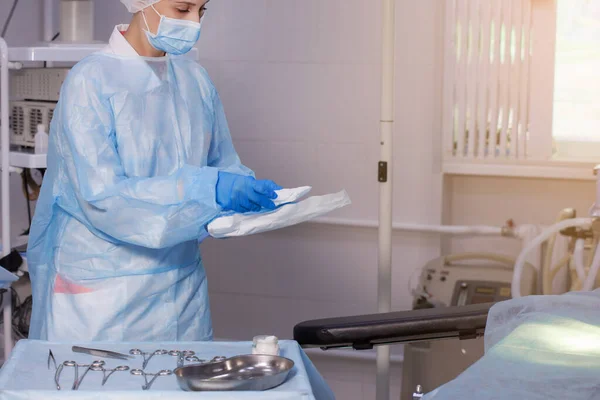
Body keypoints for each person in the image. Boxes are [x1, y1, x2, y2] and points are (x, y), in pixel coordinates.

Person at [26, 0, 281, 341]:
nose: (195, 23)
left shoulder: (195, 80)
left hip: (179, 285)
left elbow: (223, 164)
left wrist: (242, 192)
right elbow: (103, 198)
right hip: (104, 292)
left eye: (202, 11)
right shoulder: (90, 81)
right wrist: (204, 188)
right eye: (182, 9)